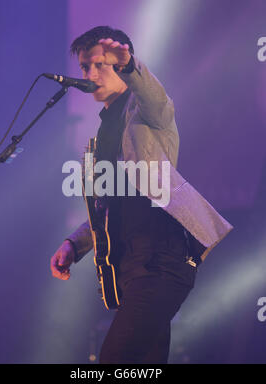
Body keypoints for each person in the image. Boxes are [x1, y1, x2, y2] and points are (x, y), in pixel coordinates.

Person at [50, 26, 233, 364]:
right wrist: (73, 244)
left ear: (121, 65)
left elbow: (156, 99)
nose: (89, 74)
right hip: (131, 268)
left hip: (162, 260)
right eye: (84, 67)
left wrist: (132, 64)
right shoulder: (102, 132)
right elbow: (108, 209)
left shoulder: (147, 114)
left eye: (99, 64)